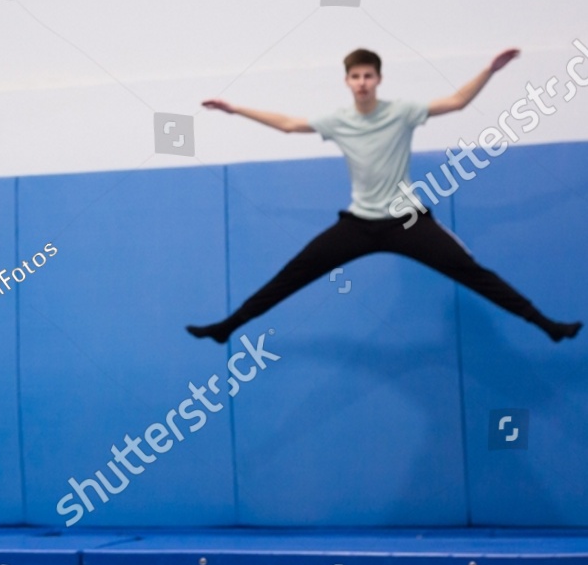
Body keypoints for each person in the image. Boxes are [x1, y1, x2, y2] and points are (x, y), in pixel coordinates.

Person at [188, 47, 581, 344]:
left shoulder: (402, 111)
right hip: (359, 224)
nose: (362, 82)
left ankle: (547, 325)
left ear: (378, 80)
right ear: (347, 81)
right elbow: (289, 125)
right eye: (355, 76)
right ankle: (228, 327)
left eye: (368, 76)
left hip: (406, 220)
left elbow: (456, 102)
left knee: (472, 272)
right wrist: (235, 110)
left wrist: (489, 71)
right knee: (294, 273)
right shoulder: (337, 121)